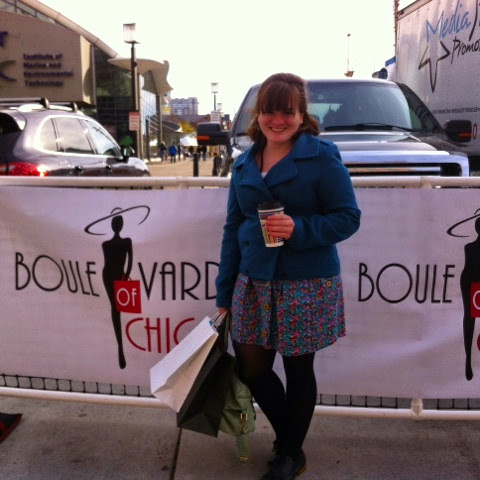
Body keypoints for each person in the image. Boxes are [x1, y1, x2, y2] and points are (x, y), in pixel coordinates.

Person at [215, 73, 360, 480]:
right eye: (269, 111)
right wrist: (224, 293)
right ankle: (291, 442)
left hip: (305, 282)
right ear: (257, 114)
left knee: (298, 371)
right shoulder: (244, 163)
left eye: (287, 112)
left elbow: (348, 217)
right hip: (252, 281)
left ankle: (289, 454)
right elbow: (232, 228)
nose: (277, 120)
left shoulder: (321, 156)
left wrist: (300, 228)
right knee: (253, 370)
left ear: (301, 115)